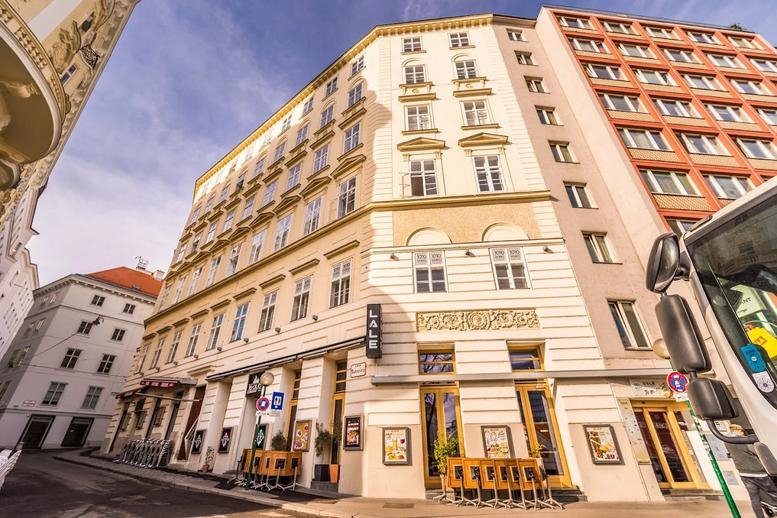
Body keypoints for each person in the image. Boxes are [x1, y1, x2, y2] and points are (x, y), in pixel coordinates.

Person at [727, 424, 777, 517]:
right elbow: (756, 451)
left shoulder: (727, 442)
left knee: (754, 498)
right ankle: (774, 506)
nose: (743, 433)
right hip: (758, 473)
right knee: (773, 491)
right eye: (742, 431)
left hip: (744, 474)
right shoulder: (743, 441)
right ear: (737, 430)